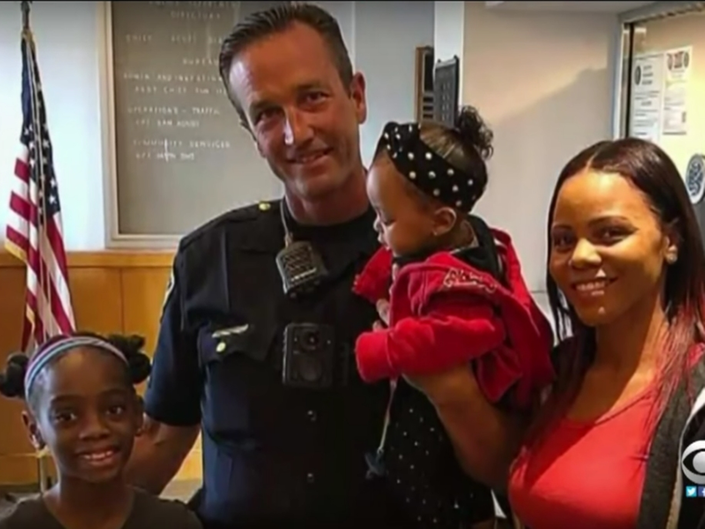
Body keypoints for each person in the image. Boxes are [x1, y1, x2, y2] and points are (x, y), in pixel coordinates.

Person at [124, 4, 505, 528]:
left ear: (357, 96)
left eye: (313, 97)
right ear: (251, 132)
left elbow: (503, 466)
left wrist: (446, 384)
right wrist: (65, 501)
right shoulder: (210, 258)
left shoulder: (458, 254)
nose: (296, 132)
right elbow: (161, 440)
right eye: (267, 114)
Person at [352, 107, 554, 528]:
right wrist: (371, 285)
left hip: (446, 459)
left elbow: (459, 333)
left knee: (434, 492)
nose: (376, 228)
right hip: (424, 427)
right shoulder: (451, 235)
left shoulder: (458, 283)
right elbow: (396, 259)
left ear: (441, 221)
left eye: (385, 218)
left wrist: (378, 349)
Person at [508, 138, 705, 529]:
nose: (580, 256)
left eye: (611, 233)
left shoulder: (696, 404)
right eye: (564, 240)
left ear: (671, 241)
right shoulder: (555, 376)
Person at [0, 333, 202, 529]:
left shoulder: (174, 523)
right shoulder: (17, 526)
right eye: (67, 417)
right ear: (34, 430)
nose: (95, 430)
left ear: (137, 414)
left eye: (114, 410)